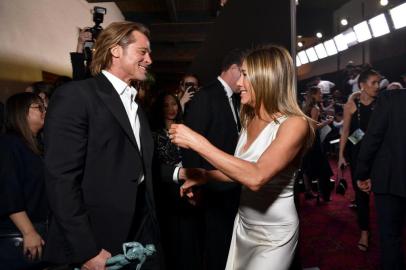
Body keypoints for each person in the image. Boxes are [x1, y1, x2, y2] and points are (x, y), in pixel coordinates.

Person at [170, 45, 313, 270]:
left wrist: (198, 142)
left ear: (265, 77)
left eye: (245, 75)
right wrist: (206, 176)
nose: (238, 83)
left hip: (274, 235)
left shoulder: (294, 124)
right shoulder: (249, 117)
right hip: (244, 226)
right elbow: (241, 172)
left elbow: (257, 176)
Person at [43, 22, 161, 270]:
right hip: (95, 239)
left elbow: (138, 166)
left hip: (136, 233)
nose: (149, 60)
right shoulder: (76, 95)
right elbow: (61, 180)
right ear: (116, 51)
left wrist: (180, 175)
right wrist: (86, 250)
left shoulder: (136, 105)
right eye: (143, 51)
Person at [181, 48, 244, 270]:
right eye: (244, 72)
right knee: (217, 243)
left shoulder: (235, 99)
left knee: (229, 241)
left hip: (231, 182)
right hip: (212, 185)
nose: (246, 79)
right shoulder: (206, 96)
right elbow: (189, 144)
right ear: (234, 69)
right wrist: (193, 183)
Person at [355, 88, 406, 270]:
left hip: (390, 179)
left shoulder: (392, 98)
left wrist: (362, 173)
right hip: (389, 178)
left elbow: (373, 137)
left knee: (390, 236)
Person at [0, 92, 48, 269]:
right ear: (21, 111)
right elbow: (8, 191)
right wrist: (28, 231)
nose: (45, 111)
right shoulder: (8, 144)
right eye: (39, 107)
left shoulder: (35, 145)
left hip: (38, 230)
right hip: (18, 235)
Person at [338, 69, 381, 251]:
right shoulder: (351, 105)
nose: (378, 87)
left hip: (378, 156)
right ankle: (364, 232)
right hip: (358, 156)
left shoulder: (382, 103)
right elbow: (346, 131)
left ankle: (387, 229)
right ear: (362, 85)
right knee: (361, 196)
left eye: (379, 82)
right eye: (374, 83)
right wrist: (340, 155)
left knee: (381, 194)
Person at [301, 86, 334, 201]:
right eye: (320, 93)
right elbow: (314, 127)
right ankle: (322, 194)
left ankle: (308, 190)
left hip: (307, 139)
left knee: (307, 165)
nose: (322, 95)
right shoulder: (315, 108)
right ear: (314, 95)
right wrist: (327, 122)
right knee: (320, 167)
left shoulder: (307, 107)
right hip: (314, 140)